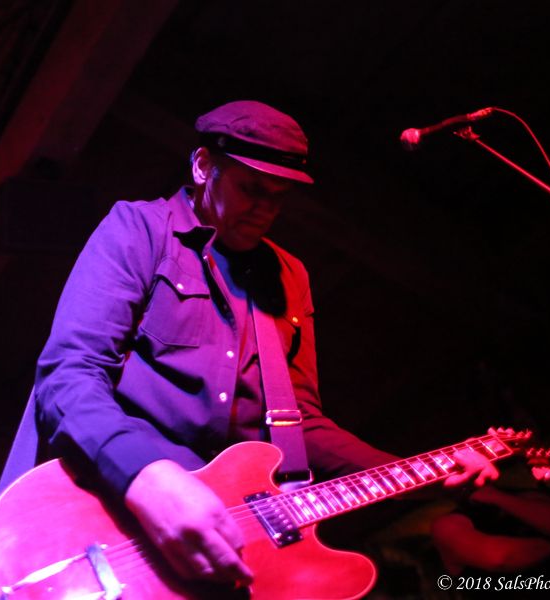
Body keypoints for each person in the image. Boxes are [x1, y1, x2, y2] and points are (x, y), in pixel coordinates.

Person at [30, 100, 497, 587]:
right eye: (251, 189)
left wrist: (418, 475)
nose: (266, 209)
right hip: (118, 504)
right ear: (203, 165)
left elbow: (303, 422)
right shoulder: (141, 229)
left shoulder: (290, 275)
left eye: (279, 196)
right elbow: (69, 375)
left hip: (233, 531)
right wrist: (145, 476)